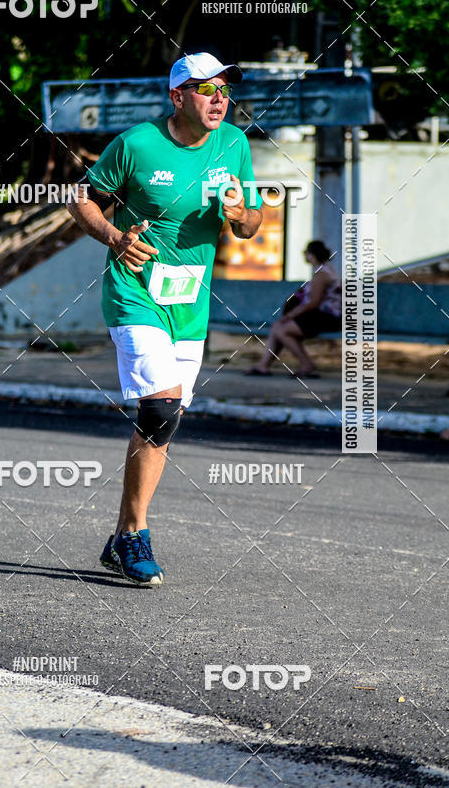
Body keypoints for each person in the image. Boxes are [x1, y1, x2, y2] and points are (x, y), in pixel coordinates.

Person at [67, 52, 263, 586]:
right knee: (161, 403)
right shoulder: (136, 143)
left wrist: (243, 215)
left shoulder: (235, 146)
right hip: (135, 293)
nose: (219, 98)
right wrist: (115, 237)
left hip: (190, 303)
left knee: (163, 419)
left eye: (224, 88)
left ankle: (120, 536)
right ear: (178, 97)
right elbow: (82, 199)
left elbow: (251, 224)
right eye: (206, 89)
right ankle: (136, 535)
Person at [248, 240, 342, 379]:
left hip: (328, 318)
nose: (305, 256)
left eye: (306, 253)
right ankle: (264, 366)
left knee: (282, 329)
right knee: (277, 327)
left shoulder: (321, 275)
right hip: (322, 316)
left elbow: (314, 302)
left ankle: (307, 365)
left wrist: (291, 315)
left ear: (312, 255)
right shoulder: (325, 271)